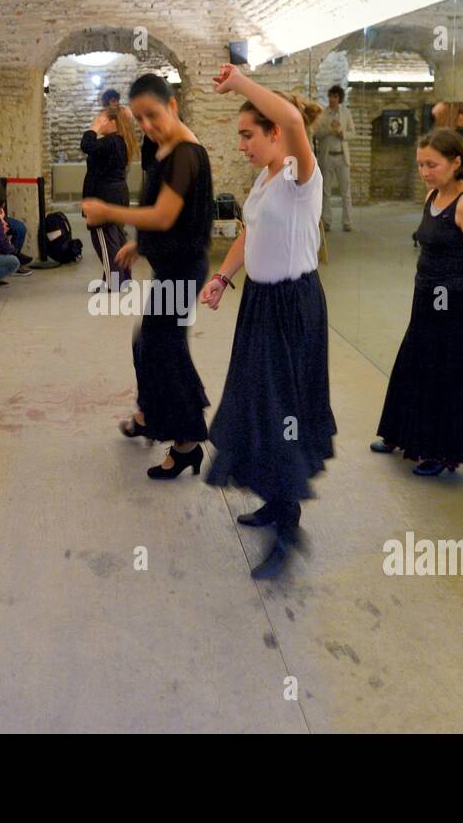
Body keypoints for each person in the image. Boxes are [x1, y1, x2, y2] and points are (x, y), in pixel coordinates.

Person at [201, 64, 337, 579]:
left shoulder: (303, 175)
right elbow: (248, 233)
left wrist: (240, 81)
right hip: (259, 301)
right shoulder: (263, 178)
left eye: (247, 135)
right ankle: (276, 503)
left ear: (274, 131)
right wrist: (224, 276)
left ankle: (288, 526)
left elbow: (297, 126)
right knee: (256, 402)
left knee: (284, 410)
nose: (242, 145)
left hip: (293, 308)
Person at [82, 73, 214, 479]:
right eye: (139, 119)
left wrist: (109, 213)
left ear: (172, 105)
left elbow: (163, 215)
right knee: (149, 343)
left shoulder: (186, 155)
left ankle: (188, 442)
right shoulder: (163, 146)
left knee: (165, 348)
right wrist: (141, 245)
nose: (147, 126)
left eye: (153, 115)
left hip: (183, 270)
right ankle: (147, 413)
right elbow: (161, 212)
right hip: (169, 264)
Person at [371, 128, 463, 475]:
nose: (425, 172)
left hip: (455, 300)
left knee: (444, 372)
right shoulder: (433, 195)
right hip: (426, 294)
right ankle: (401, 433)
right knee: (414, 362)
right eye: (420, 165)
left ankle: (440, 451)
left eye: (432, 164)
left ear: (456, 162)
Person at [81, 103, 138, 290]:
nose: (97, 123)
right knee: (115, 239)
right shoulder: (119, 141)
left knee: (104, 240)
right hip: (116, 194)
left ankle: (115, 282)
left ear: (112, 122)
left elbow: (87, 145)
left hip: (104, 197)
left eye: (101, 119)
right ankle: (122, 278)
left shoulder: (111, 141)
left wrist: (93, 128)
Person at [312, 83, 354, 232]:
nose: (332, 99)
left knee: (345, 191)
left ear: (339, 98)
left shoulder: (346, 113)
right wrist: (330, 129)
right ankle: (327, 222)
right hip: (327, 156)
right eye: (330, 96)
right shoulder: (323, 114)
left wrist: (342, 132)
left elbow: (352, 133)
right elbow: (316, 134)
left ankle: (347, 222)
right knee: (326, 191)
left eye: (335, 96)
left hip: (342, 156)